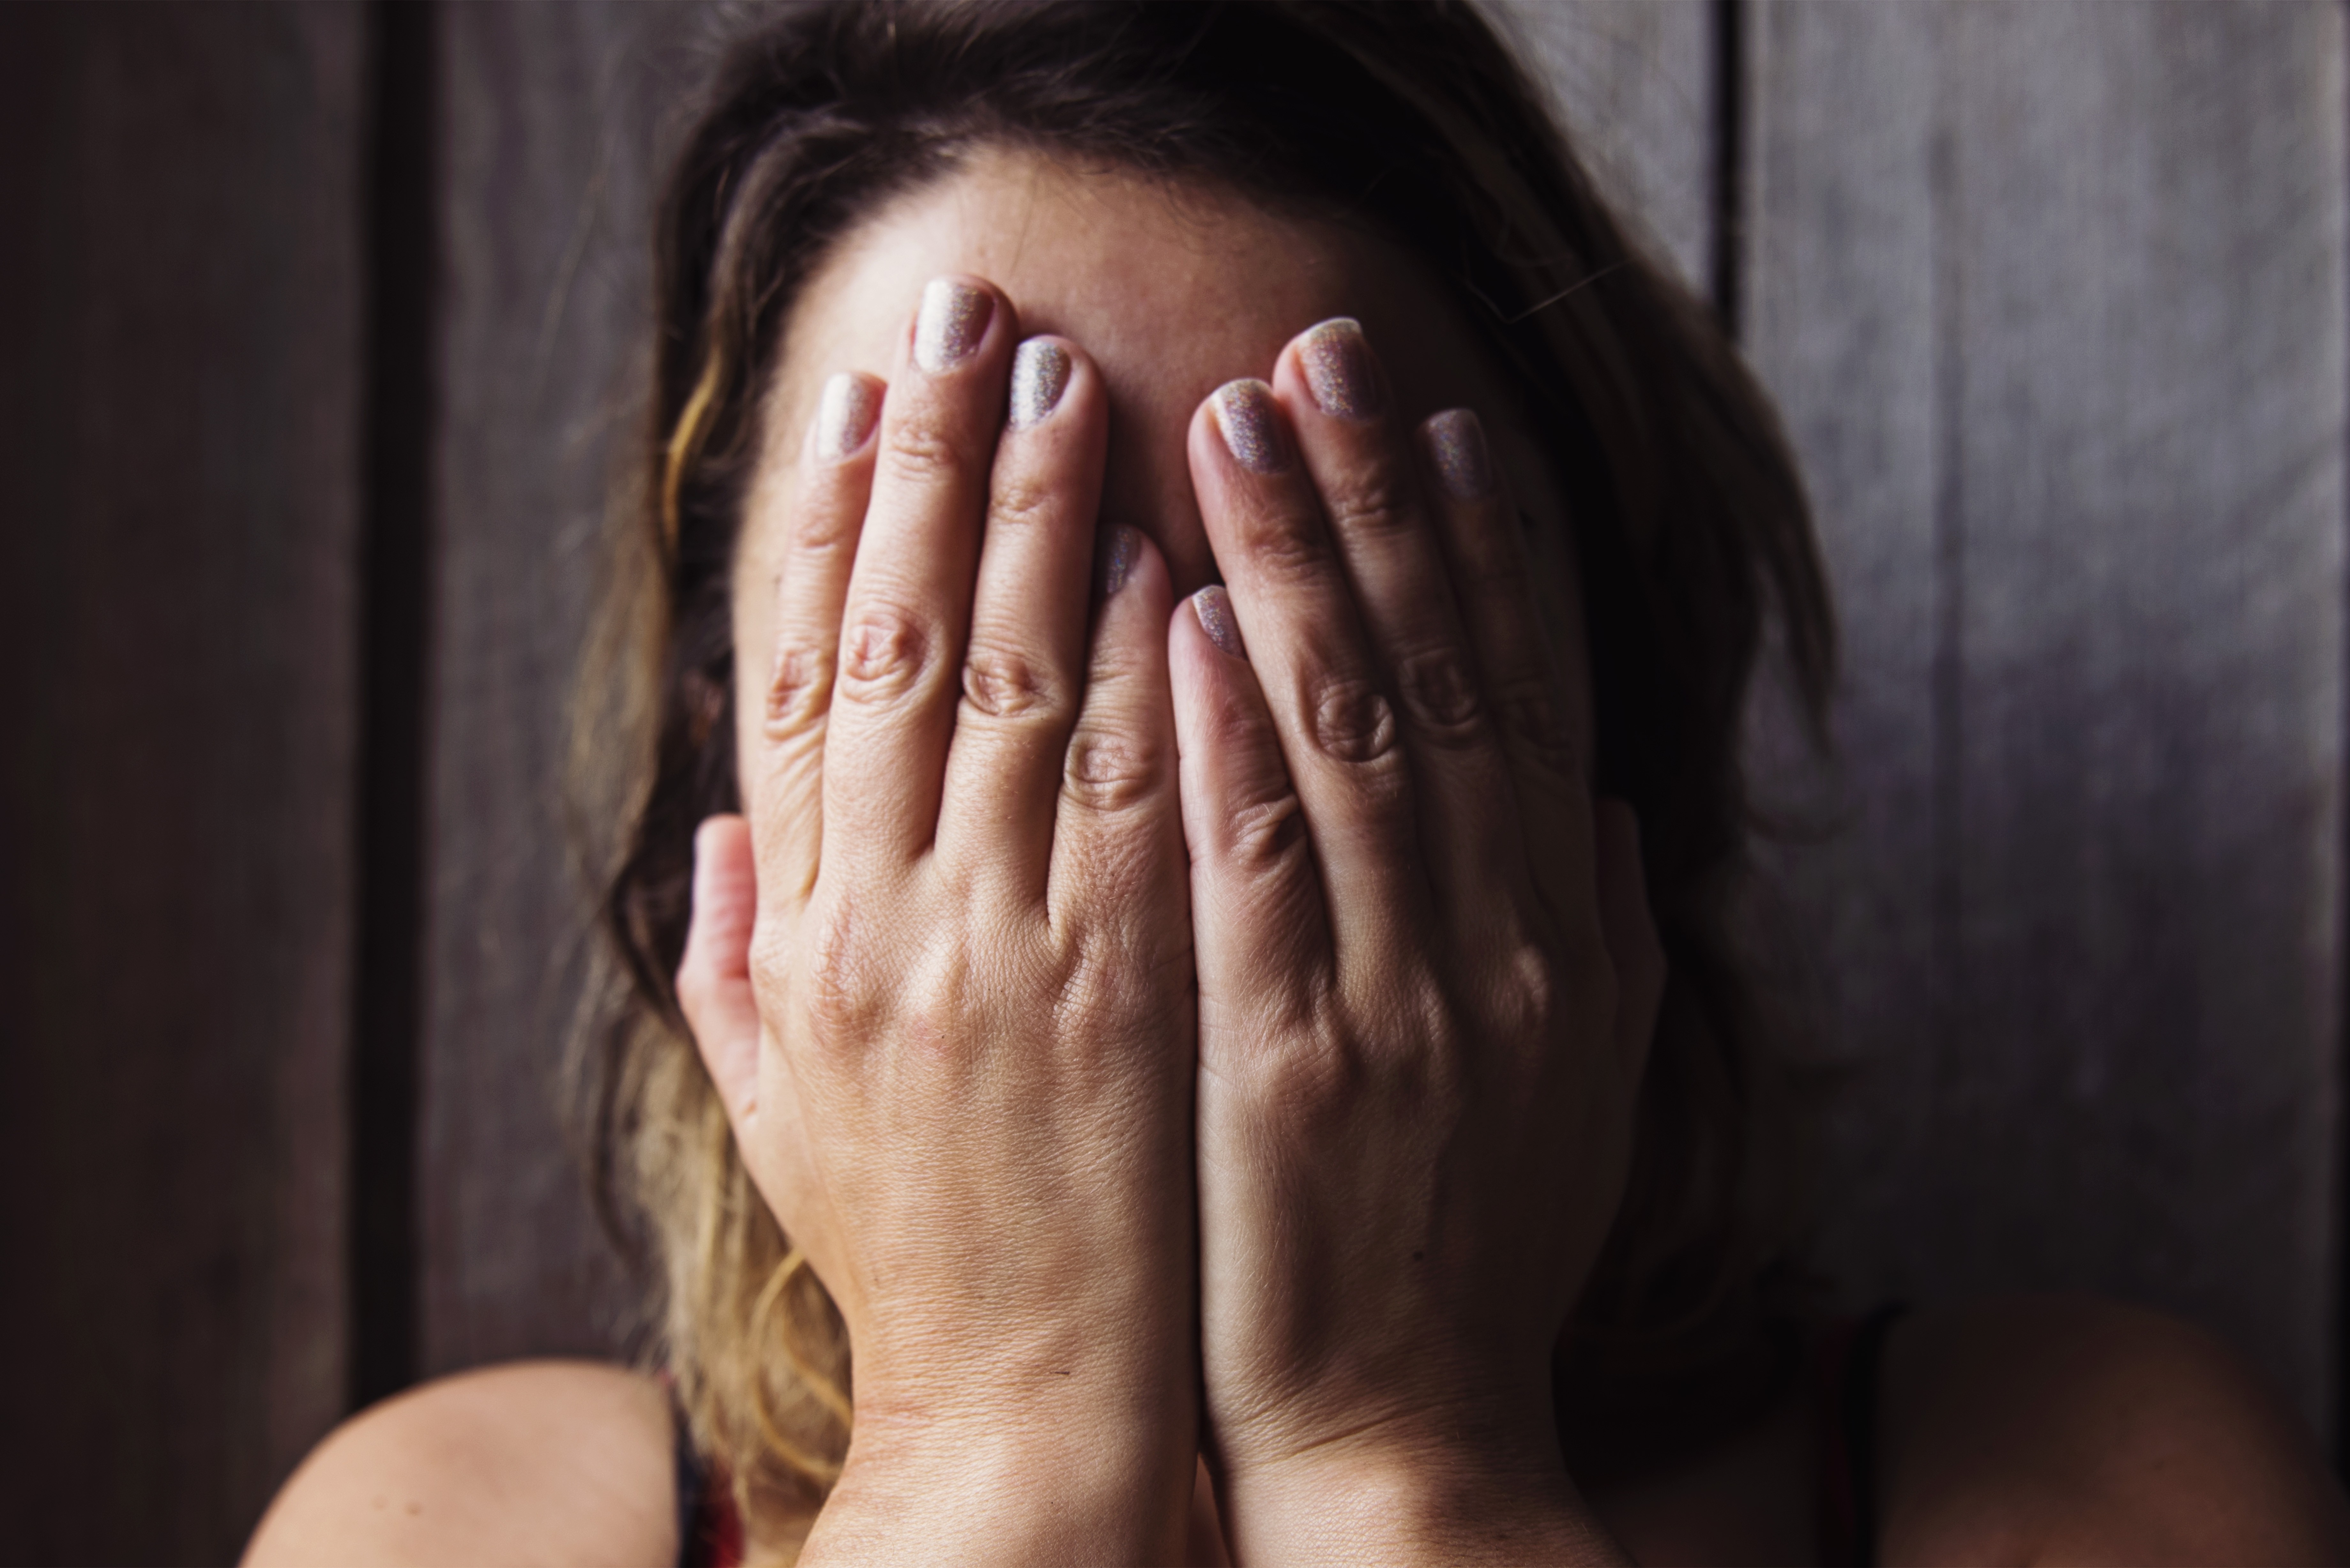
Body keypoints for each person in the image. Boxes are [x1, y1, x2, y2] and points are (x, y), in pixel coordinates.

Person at [246, 3, 2350, 1563]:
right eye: (989, 620)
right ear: (734, 774)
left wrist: (1405, 1457)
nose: (1166, 779)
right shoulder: (459, 1527)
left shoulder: (2080, 1482)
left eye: (1323, 611)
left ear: (1591, 710)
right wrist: (995, 1443)